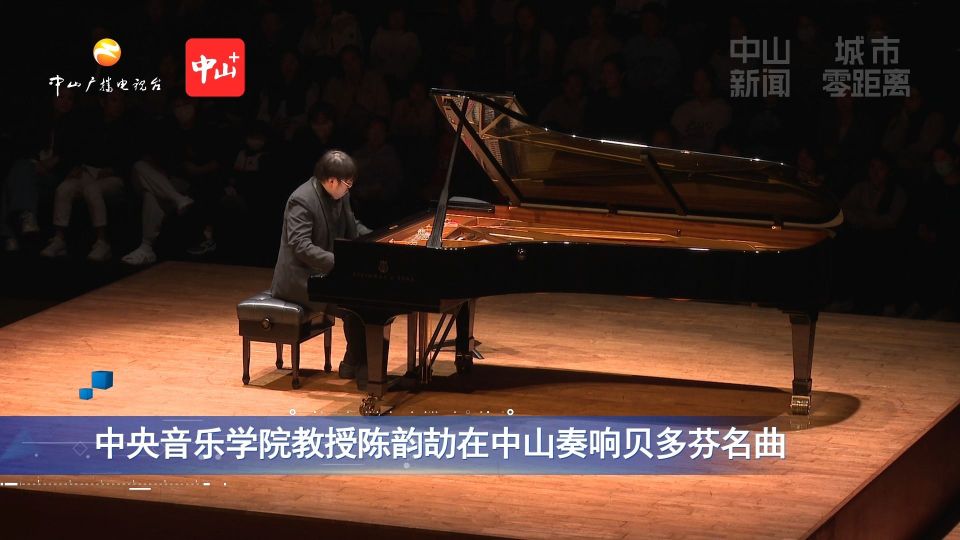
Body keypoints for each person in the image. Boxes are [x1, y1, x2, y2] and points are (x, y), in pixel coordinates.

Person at [270, 150, 372, 386]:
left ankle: (353, 364)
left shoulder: (340, 194)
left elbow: (353, 226)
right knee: (355, 304)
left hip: (324, 272)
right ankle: (361, 368)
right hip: (300, 280)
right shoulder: (301, 200)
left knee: (366, 298)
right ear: (332, 181)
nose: (349, 188)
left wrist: (377, 239)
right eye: (348, 183)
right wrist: (340, 262)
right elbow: (301, 246)